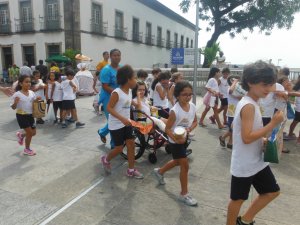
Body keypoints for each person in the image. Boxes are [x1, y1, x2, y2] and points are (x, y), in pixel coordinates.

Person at [226, 60, 284, 225]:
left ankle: (245, 220)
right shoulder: (249, 106)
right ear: (250, 82)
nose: (269, 89)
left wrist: (264, 139)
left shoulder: (252, 102)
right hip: (244, 164)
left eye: (271, 84)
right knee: (237, 199)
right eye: (265, 84)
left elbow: (248, 134)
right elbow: (246, 137)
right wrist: (273, 124)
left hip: (256, 161)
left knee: (272, 191)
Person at [152, 81, 198, 206]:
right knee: (184, 165)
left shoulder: (192, 106)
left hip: (185, 139)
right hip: (175, 141)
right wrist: (176, 139)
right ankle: (184, 194)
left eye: (190, 94)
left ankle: (159, 171)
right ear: (177, 95)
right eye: (184, 94)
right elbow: (167, 129)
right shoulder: (175, 111)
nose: (188, 97)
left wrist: (189, 129)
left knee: (177, 161)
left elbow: (195, 121)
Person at [100, 65, 144, 179]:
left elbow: (137, 106)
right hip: (116, 125)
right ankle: (106, 159)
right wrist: (122, 119)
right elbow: (109, 108)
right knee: (119, 148)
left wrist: (138, 95)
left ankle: (131, 170)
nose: (136, 80)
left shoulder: (129, 92)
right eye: (134, 77)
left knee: (131, 145)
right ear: (127, 79)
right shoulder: (117, 92)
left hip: (127, 123)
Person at [11, 75, 41, 156]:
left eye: (29, 82)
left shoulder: (32, 93)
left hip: (30, 115)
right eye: (26, 82)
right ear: (21, 83)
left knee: (33, 133)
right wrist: (15, 102)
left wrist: (36, 100)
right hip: (21, 116)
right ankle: (27, 149)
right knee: (30, 133)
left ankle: (21, 135)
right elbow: (13, 107)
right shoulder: (17, 94)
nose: (29, 84)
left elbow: (33, 102)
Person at [98, 49, 121, 148]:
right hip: (108, 97)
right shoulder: (106, 69)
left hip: (119, 97)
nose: (116, 57)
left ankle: (102, 132)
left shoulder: (121, 68)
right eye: (114, 55)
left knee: (117, 120)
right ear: (110, 57)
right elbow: (105, 86)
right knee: (113, 120)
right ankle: (114, 144)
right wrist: (117, 94)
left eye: (118, 55)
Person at [219, 78, 241, 149]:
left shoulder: (238, 89)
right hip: (232, 112)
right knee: (233, 128)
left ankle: (230, 143)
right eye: (236, 81)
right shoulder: (229, 88)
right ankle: (223, 137)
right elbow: (231, 92)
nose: (238, 83)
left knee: (234, 128)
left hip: (237, 111)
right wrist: (235, 81)